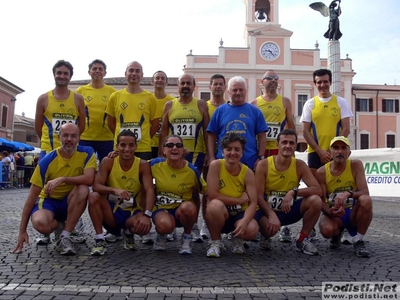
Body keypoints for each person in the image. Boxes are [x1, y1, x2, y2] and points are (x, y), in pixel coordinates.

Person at [12, 123, 96, 255]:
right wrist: (22, 231)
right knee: (41, 224)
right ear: (59, 137)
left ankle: (65, 236)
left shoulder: (87, 152)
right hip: (48, 201)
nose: (69, 139)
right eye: (65, 135)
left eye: (73, 136)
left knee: (83, 189)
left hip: (70, 201)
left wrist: (63, 179)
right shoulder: (47, 160)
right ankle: (60, 226)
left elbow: (89, 179)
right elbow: (31, 197)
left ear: (79, 138)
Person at [159, 74, 209, 242]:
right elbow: (164, 131)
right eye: (182, 83)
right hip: (172, 154)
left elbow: (208, 132)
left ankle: (193, 224)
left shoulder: (201, 105)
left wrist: (210, 153)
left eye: (189, 83)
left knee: (194, 190)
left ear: (194, 86)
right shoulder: (169, 105)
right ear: (178, 86)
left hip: (195, 153)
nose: (185, 86)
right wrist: (162, 151)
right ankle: (171, 223)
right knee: (170, 187)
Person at [254, 129, 322, 255]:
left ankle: (303, 239)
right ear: (277, 144)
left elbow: (317, 189)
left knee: (316, 201)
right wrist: (270, 214)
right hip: (267, 210)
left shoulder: (299, 165)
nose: (288, 146)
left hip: (288, 210)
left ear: (296, 146)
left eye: (291, 143)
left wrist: (293, 192)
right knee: (270, 230)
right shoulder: (264, 165)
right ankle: (264, 234)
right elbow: (257, 196)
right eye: (284, 142)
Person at [87, 130, 155, 255]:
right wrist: (115, 190)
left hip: (132, 211)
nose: (127, 149)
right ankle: (99, 239)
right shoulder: (108, 161)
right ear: (117, 146)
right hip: (111, 211)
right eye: (123, 145)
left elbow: (150, 190)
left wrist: (147, 215)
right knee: (93, 196)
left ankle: (128, 233)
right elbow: (96, 186)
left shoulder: (143, 165)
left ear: (136, 146)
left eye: (131, 145)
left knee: (144, 228)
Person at [150, 134, 207, 254]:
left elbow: (206, 192)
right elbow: (134, 165)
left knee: (189, 207)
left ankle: (187, 237)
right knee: (165, 225)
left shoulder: (192, 171)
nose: (174, 148)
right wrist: (116, 156)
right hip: (162, 209)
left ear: (183, 150)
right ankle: (161, 235)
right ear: (164, 150)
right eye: (170, 145)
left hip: (183, 211)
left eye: (178, 145)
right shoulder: (153, 165)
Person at [316, 136, 372, 258]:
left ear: (349, 153)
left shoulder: (355, 165)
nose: (339, 151)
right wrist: (330, 212)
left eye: (343, 148)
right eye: (336, 148)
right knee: (326, 230)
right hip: (335, 213)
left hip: (353, 212)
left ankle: (359, 240)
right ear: (329, 152)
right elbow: (320, 201)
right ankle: (336, 234)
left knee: (366, 200)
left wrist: (349, 193)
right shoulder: (321, 172)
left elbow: (365, 192)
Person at [205, 132, 259, 257]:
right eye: (228, 149)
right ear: (222, 152)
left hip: (239, 214)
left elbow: (253, 202)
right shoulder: (216, 166)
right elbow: (213, 195)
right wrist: (239, 201)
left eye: (237, 149)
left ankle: (238, 239)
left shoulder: (248, 172)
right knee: (214, 206)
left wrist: (245, 220)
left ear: (242, 152)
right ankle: (215, 241)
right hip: (221, 212)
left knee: (252, 230)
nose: (232, 153)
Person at [207, 76, 268, 171]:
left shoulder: (255, 111)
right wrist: (211, 157)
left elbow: (262, 136)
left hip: (249, 163)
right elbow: (211, 136)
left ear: (245, 91)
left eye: (241, 90)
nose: (238, 93)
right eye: (235, 90)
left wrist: (260, 157)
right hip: (223, 163)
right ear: (229, 92)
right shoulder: (220, 111)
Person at [300, 69, 353, 177]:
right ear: (315, 84)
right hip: (315, 153)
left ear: (330, 82)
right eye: (319, 82)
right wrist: (320, 151)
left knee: (336, 185)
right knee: (317, 188)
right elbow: (305, 131)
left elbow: (346, 129)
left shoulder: (341, 102)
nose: (322, 85)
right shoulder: (309, 104)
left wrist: (333, 150)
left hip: (336, 153)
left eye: (325, 81)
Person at [106, 61, 158, 161]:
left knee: (142, 176)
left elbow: (155, 125)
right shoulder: (115, 96)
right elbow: (111, 123)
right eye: (131, 70)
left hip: (143, 148)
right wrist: (122, 139)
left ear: (142, 75)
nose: (134, 73)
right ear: (125, 74)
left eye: (137, 71)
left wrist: (143, 138)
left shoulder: (150, 97)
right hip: (121, 148)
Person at [35, 60, 85, 160]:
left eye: (66, 73)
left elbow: (82, 126)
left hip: (71, 151)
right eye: (59, 73)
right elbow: (37, 127)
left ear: (70, 76)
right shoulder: (43, 99)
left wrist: (70, 140)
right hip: (48, 151)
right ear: (54, 74)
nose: (62, 76)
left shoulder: (78, 99)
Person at [201, 74, 227, 240]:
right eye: (215, 84)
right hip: (208, 154)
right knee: (206, 190)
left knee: (226, 189)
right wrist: (208, 154)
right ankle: (205, 221)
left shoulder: (230, 106)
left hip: (227, 156)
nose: (218, 87)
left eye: (220, 84)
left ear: (225, 87)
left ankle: (227, 222)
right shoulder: (204, 106)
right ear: (210, 87)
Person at [76, 59, 117, 162]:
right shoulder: (80, 91)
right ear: (89, 72)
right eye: (94, 69)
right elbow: (76, 115)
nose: (97, 71)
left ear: (105, 73)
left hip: (107, 139)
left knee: (107, 168)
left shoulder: (112, 92)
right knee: (84, 167)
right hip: (85, 138)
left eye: (100, 69)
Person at [250, 70, 295, 157]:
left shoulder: (285, 101)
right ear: (262, 82)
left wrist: (292, 148)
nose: (273, 80)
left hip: (279, 148)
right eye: (269, 78)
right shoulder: (253, 103)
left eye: (276, 78)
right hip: (259, 148)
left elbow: (291, 126)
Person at [151, 70, 175, 159]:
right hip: (149, 143)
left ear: (166, 83)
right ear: (152, 82)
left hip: (167, 145)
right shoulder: (147, 99)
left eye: (162, 78)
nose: (160, 80)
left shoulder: (172, 102)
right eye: (157, 78)